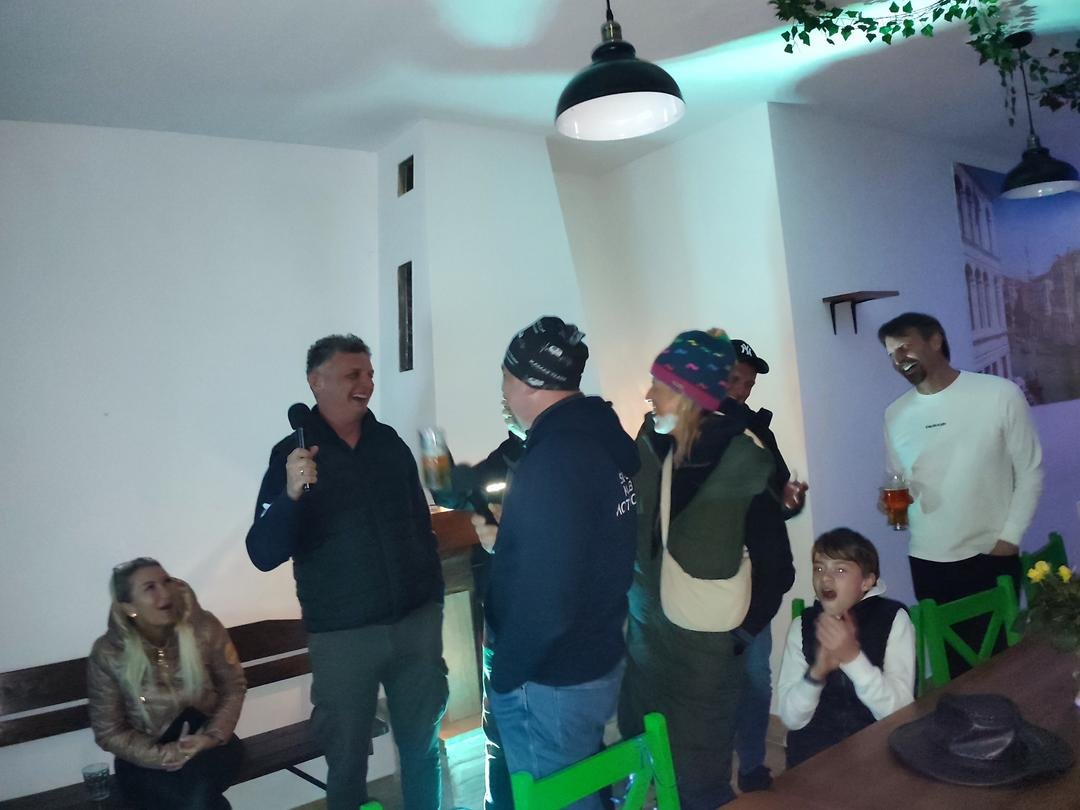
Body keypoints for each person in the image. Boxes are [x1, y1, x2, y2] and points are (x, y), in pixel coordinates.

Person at [245, 334, 447, 810]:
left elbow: (419, 525)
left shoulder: (389, 443)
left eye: (369, 374)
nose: (367, 384)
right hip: (344, 639)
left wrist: (433, 598)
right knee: (346, 760)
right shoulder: (291, 456)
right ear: (316, 381)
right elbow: (263, 552)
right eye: (353, 374)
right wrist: (290, 495)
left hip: (416, 626)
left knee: (422, 747)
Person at [484, 316, 639, 810]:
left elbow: (546, 593)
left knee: (557, 798)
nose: (503, 390)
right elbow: (581, 550)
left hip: (550, 674)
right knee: (581, 786)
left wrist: (507, 673)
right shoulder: (598, 439)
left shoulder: (555, 457)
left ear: (532, 382)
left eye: (507, 377)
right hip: (594, 652)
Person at [618, 329, 773, 810]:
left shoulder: (741, 456)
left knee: (701, 780)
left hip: (701, 651)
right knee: (645, 754)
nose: (648, 394)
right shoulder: (649, 443)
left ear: (687, 393)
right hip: (647, 637)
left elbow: (776, 562)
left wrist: (739, 636)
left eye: (659, 384)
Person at [878, 313, 1043, 671]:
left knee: (999, 661)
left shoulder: (998, 394)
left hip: (991, 553)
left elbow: (1030, 471)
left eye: (904, 347)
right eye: (891, 354)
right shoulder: (895, 414)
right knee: (950, 666)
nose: (898, 359)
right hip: (927, 558)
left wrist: (1009, 539)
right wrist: (895, 502)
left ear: (935, 340)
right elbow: (900, 479)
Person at [87, 558, 246, 810]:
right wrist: (162, 755)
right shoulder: (108, 653)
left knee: (195, 795)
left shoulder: (204, 628)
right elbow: (108, 730)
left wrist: (210, 737)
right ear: (129, 607)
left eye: (166, 581)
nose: (165, 592)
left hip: (210, 743)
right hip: (144, 755)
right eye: (150, 587)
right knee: (195, 799)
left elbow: (233, 687)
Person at [723, 338, 805, 792]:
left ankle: (752, 763)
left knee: (755, 676)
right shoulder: (687, 433)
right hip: (709, 580)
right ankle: (709, 775)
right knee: (711, 682)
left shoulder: (758, 431)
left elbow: (778, 497)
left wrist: (789, 502)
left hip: (756, 580)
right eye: (735, 380)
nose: (742, 392)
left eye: (749, 385)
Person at [777, 528, 915, 768]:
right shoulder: (803, 625)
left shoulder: (893, 618)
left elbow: (899, 714)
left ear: (867, 581)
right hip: (813, 757)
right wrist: (816, 674)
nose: (825, 579)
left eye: (840, 570)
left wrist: (852, 658)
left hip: (879, 752)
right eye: (819, 569)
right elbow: (791, 719)